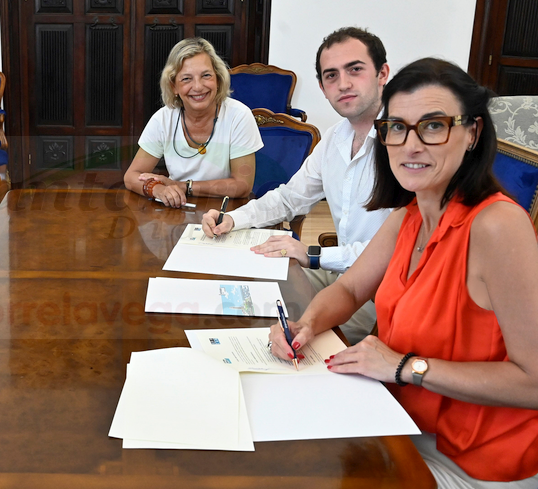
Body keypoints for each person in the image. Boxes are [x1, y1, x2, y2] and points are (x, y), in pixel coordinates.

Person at [269, 58, 538, 488]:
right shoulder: (408, 215)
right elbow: (353, 287)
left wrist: (406, 367)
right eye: (397, 126)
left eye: (433, 125)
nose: (410, 144)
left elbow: (534, 381)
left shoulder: (497, 227)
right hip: (402, 422)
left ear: (472, 132)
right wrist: (305, 325)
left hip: (478, 459)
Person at [202, 27, 392, 344]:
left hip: (381, 296)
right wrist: (235, 219)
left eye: (355, 70)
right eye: (331, 76)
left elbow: (394, 255)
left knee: (268, 330)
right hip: (339, 274)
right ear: (321, 86)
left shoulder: (407, 146)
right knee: (242, 289)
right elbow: (289, 198)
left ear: (382, 73)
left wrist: (312, 254)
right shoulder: (335, 138)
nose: (343, 84)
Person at [124, 37, 260, 208]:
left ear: (217, 79)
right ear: (174, 86)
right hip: (177, 210)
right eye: (186, 79)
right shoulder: (163, 119)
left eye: (206, 76)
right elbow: (131, 177)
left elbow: (242, 186)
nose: (198, 87)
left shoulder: (239, 116)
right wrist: (156, 189)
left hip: (226, 212)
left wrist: (184, 186)